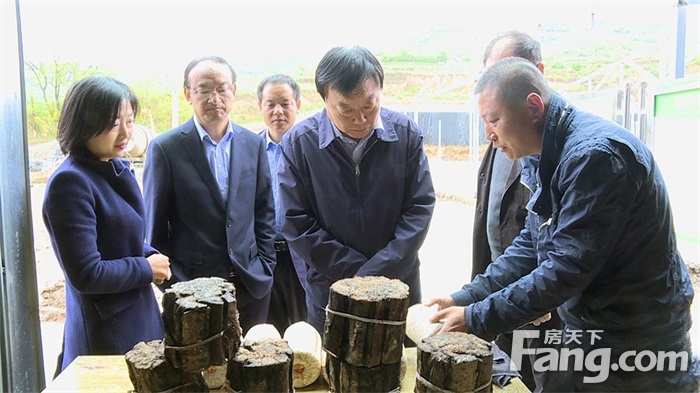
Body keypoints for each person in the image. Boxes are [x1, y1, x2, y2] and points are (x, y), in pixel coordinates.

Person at [428, 57, 698, 391]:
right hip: (590, 324)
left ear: (533, 107)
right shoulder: (541, 153)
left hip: (638, 336)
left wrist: (476, 318)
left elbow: (567, 267)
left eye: (493, 120)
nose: (489, 135)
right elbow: (531, 243)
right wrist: (465, 298)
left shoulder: (596, 157)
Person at [278, 46, 436, 334]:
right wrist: (354, 272)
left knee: (401, 365)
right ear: (324, 99)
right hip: (332, 289)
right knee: (334, 369)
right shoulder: (299, 144)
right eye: (346, 109)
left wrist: (379, 271)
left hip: (398, 285)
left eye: (369, 105)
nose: (360, 119)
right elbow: (295, 221)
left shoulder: (406, 135)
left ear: (381, 91)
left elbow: (420, 207)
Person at [42, 76, 171, 375]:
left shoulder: (108, 165)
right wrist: (146, 268)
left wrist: (152, 255)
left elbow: (117, 238)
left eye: (130, 120)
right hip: (108, 333)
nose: (126, 132)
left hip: (134, 319)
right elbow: (87, 273)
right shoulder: (71, 182)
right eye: (114, 123)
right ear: (84, 124)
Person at [143, 56, 276, 333]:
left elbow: (264, 211)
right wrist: (175, 284)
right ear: (188, 94)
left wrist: (265, 265)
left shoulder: (253, 144)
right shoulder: (166, 149)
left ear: (234, 91)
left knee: (252, 366)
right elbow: (154, 229)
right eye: (204, 90)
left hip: (250, 283)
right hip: (194, 290)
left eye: (222, 88)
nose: (214, 98)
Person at [473, 30, 563, 392]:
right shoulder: (501, 137)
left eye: (508, 73)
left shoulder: (573, 154)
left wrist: (542, 297)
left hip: (547, 307)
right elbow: (514, 231)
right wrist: (479, 291)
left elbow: (572, 254)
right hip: (510, 294)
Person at [256, 74, 307, 333]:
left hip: (303, 256)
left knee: (307, 332)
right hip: (264, 257)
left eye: (285, 103)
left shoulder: (312, 148)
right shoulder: (249, 149)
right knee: (267, 333)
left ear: (298, 105)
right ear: (260, 107)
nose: (278, 111)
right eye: (270, 104)